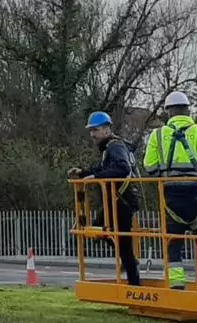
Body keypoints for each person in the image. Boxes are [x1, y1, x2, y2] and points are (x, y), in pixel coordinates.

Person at [142, 91, 197, 292]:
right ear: (188, 109)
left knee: (173, 243)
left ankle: (177, 285)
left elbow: (149, 167)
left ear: (168, 111)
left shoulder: (157, 135)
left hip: (171, 197)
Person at [68, 111, 141, 286]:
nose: (92, 134)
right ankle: (132, 272)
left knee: (119, 241)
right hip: (116, 201)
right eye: (91, 131)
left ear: (107, 129)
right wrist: (84, 172)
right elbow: (101, 169)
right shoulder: (110, 148)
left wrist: (95, 177)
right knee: (106, 234)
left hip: (121, 201)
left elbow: (122, 169)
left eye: (96, 130)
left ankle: (134, 284)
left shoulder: (115, 147)